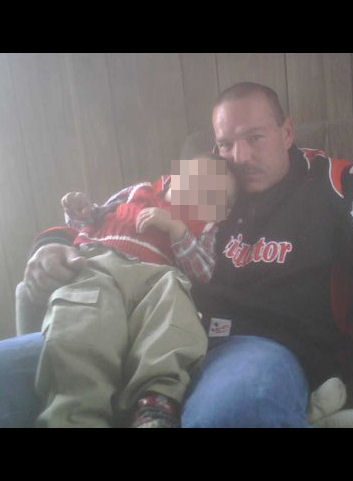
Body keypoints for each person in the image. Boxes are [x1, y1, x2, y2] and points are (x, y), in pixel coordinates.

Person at [0, 82, 353, 428]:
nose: (238, 156)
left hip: (259, 345)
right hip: (142, 332)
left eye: (255, 137)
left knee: (234, 411)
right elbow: (116, 213)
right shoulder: (201, 181)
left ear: (286, 132)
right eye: (225, 143)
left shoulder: (338, 180)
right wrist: (53, 246)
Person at [27, 154, 237, 428]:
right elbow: (94, 216)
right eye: (194, 179)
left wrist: (176, 229)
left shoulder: (206, 227)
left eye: (213, 194)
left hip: (157, 276)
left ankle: (155, 404)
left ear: (224, 211)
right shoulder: (138, 192)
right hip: (99, 262)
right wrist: (80, 211)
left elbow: (203, 271)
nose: (199, 192)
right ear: (171, 179)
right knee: (80, 329)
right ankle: (76, 414)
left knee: (175, 317)